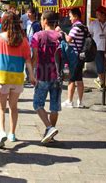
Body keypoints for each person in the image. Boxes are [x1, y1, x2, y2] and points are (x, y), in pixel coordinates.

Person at [0, 12, 34, 148]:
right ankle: (12, 133)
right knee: (13, 106)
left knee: (0, 106)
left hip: (2, 77)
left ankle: (1, 132)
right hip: (17, 78)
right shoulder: (23, 40)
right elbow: (28, 61)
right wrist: (32, 76)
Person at [31, 11, 62, 144]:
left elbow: (35, 56)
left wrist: (30, 73)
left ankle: (49, 128)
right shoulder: (60, 36)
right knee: (54, 107)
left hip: (42, 74)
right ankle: (51, 134)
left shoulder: (37, 35)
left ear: (44, 21)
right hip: (58, 74)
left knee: (37, 104)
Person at [60, 8, 86, 108]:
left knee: (72, 78)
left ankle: (69, 101)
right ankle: (80, 101)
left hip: (75, 55)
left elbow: (69, 40)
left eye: (70, 16)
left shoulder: (76, 27)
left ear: (75, 16)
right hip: (81, 55)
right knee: (79, 79)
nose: (69, 18)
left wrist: (63, 33)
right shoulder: (84, 27)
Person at [89, 6, 106, 90]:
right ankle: (103, 84)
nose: (97, 16)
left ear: (104, 15)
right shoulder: (93, 24)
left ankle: (99, 79)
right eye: (96, 14)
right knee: (100, 66)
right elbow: (90, 35)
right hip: (97, 48)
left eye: (98, 14)